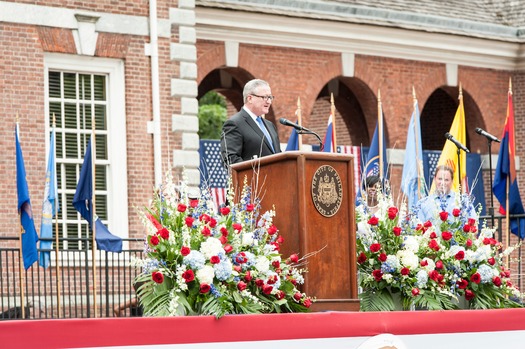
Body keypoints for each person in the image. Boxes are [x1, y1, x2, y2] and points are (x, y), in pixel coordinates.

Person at [220, 79, 281, 165]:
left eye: (270, 97)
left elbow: (278, 155)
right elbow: (230, 159)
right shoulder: (234, 124)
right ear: (250, 98)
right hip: (252, 178)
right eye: (265, 97)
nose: (269, 101)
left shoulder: (270, 125)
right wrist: (251, 176)